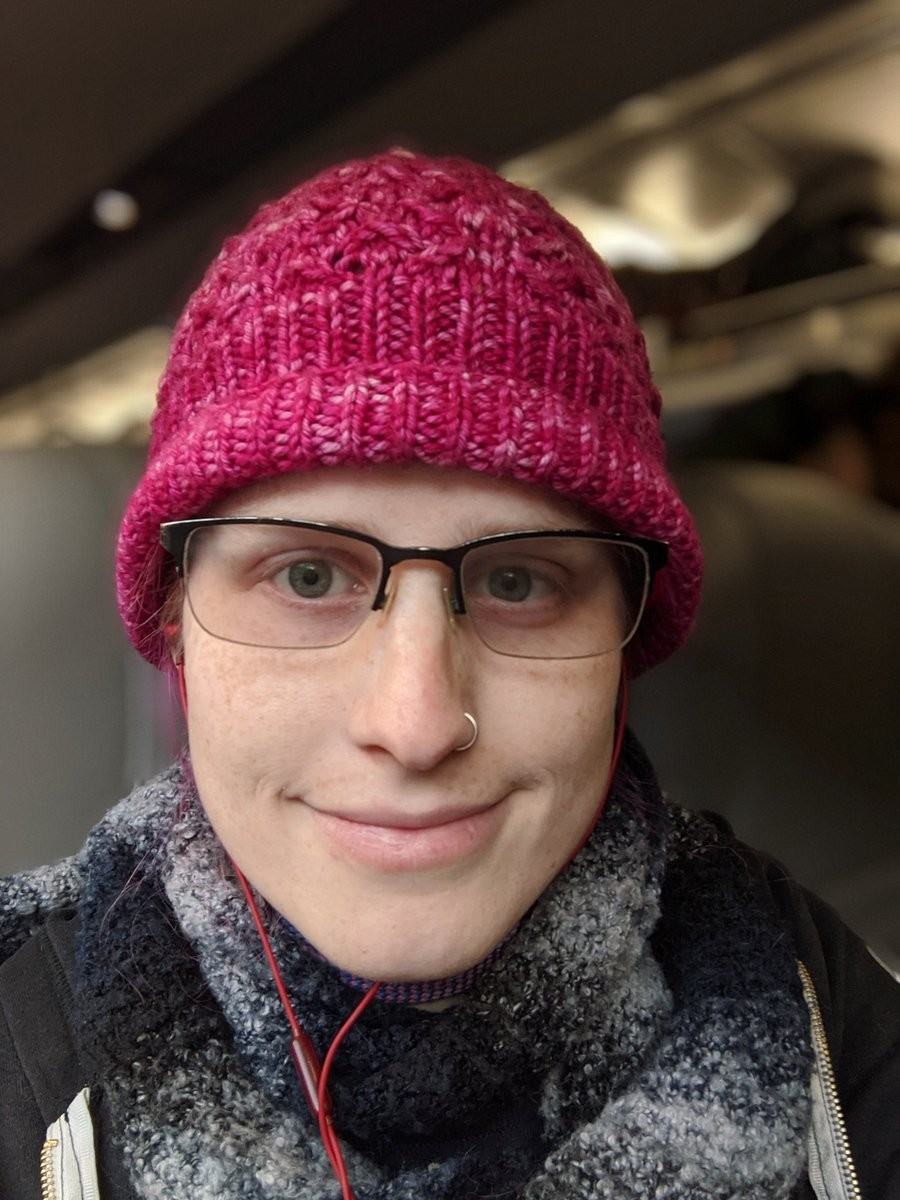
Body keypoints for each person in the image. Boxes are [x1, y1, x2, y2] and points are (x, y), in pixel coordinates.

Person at [0, 150, 897, 1200]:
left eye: (519, 581)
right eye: (305, 573)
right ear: (175, 626)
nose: (417, 723)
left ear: (626, 645)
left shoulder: (828, 1009)